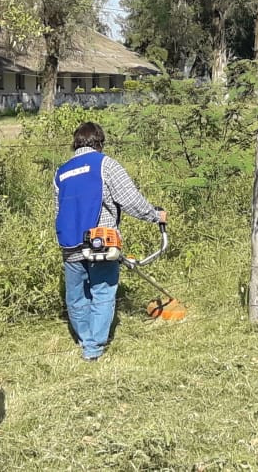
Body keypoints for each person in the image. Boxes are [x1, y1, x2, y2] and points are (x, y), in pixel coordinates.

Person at [54, 122, 167, 362]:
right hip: (100, 241)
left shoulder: (61, 172)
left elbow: (58, 209)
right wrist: (155, 215)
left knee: (76, 297)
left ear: (75, 143)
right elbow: (131, 200)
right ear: (100, 142)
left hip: (70, 242)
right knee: (102, 292)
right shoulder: (105, 164)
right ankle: (93, 348)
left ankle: (84, 338)